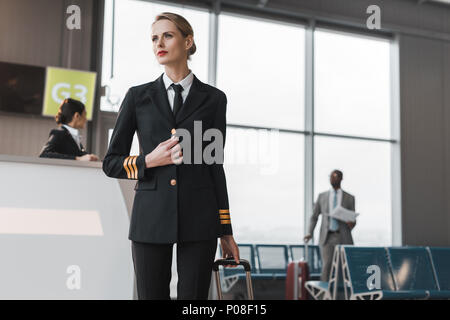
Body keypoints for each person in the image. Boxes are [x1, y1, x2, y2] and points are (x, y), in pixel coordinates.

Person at [102, 12, 240, 300]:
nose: (158, 43)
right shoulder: (138, 97)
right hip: (150, 218)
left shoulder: (214, 99)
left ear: (187, 41)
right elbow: (111, 162)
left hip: (200, 219)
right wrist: (148, 161)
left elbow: (215, 166)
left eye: (167, 35)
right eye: (154, 38)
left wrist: (225, 229)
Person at [304, 169, 356, 281]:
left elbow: (353, 221)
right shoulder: (322, 196)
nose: (332, 179)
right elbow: (314, 217)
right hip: (327, 237)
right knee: (327, 266)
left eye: (335, 176)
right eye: (331, 176)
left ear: (341, 178)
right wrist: (309, 232)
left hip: (343, 236)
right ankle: (326, 296)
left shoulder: (349, 198)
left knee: (345, 268)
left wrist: (350, 222)